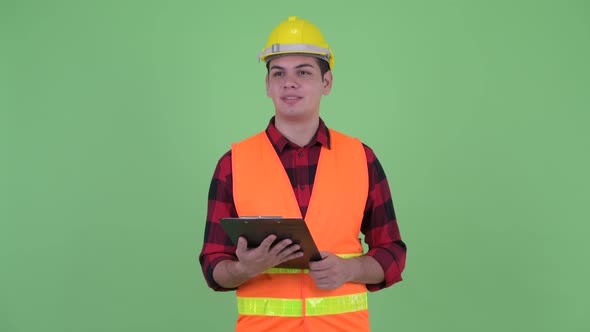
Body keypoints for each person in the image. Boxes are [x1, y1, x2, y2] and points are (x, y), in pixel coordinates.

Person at [199, 16, 406, 332]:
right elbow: (213, 267)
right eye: (278, 73)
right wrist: (244, 268)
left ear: (327, 83)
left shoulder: (361, 159)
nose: (289, 82)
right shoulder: (233, 164)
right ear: (267, 85)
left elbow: (391, 253)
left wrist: (350, 269)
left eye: (304, 72)